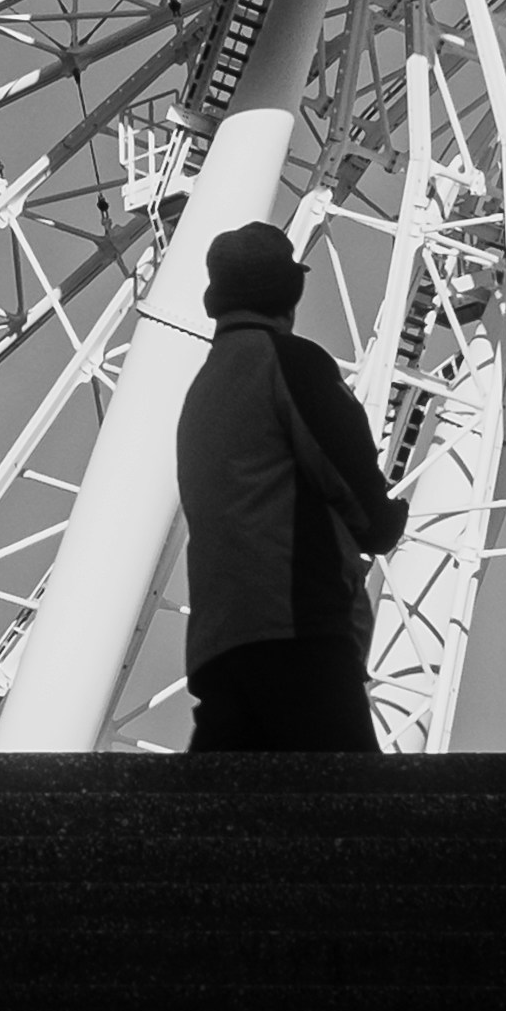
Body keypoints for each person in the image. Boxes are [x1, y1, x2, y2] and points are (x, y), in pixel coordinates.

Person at [175, 221, 395, 755]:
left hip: (219, 641)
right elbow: (349, 478)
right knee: (359, 816)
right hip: (298, 627)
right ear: (287, 292)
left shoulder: (202, 390)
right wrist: (384, 520)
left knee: (217, 818)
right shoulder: (291, 364)